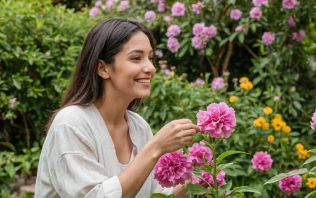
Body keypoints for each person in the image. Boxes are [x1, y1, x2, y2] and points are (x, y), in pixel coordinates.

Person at [35, 19, 199, 198]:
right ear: (103, 68)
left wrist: (195, 178)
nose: (150, 68)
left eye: (151, 58)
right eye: (136, 58)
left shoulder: (139, 127)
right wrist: (156, 147)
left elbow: (158, 195)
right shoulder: (71, 123)